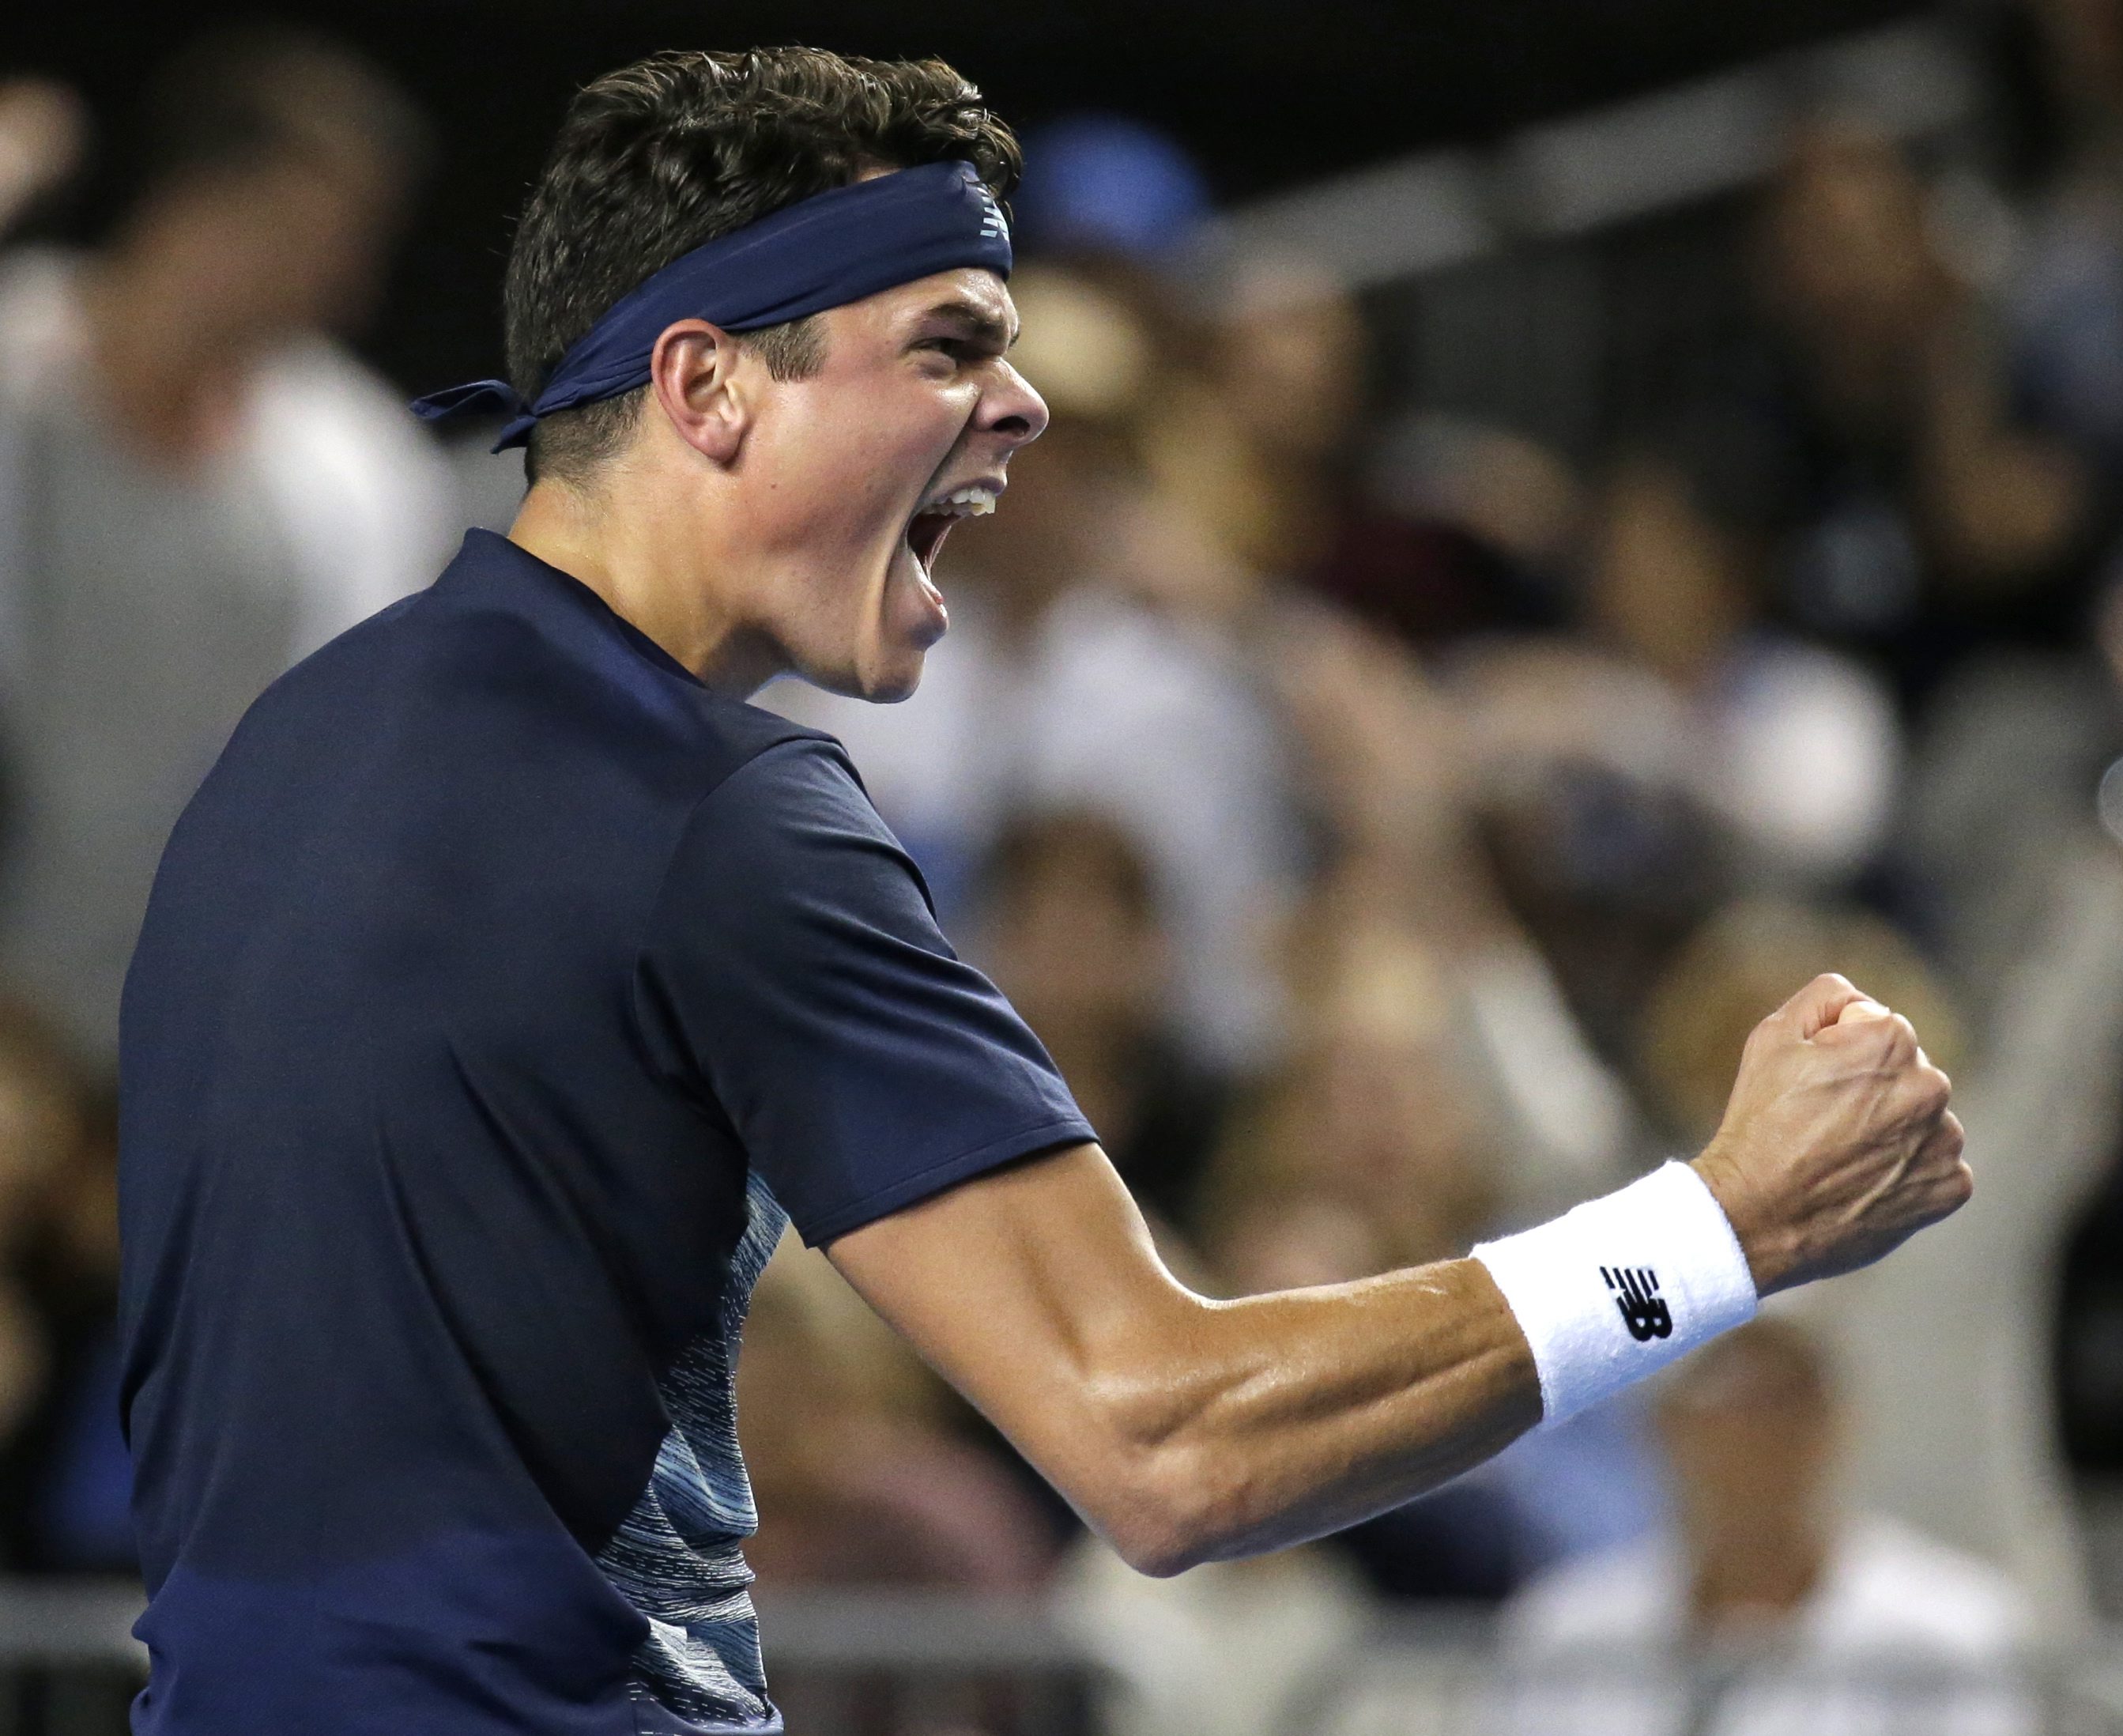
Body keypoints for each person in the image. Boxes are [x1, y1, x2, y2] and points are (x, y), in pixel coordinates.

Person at [115, 47, 1970, 1736]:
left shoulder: (285, 753)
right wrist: (1721, 1229)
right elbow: (1168, 1436)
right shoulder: (711, 813)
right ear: (704, 386)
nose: (1017, 409)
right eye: (946, 342)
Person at [0, 29, 454, 1062]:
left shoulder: (358, 472)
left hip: (195, 1026)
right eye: (313, 240)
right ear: (199, 206)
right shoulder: (16, 362)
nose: (345, 290)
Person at [1503, 1318, 2034, 1736]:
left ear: (1838, 1425)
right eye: (1731, 1403)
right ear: (1664, 1427)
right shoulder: (1565, 1629)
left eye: (1789, 1403)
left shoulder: (1951, 1629)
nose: (1761, 1437)